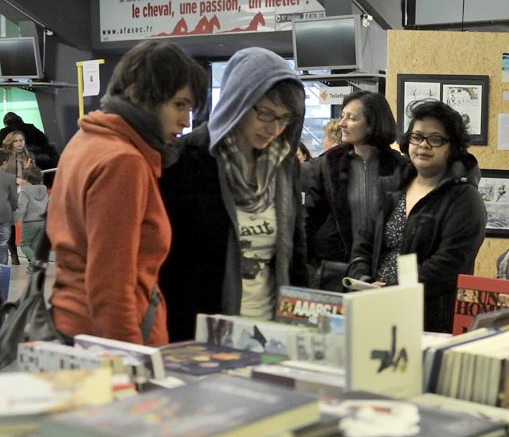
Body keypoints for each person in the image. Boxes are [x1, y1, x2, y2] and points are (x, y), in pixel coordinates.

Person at [46, 40, 207, 344]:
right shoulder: (124, 162)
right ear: (138, 95)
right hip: (112, 340)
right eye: (179, 104)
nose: (186, 121)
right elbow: (111, 285)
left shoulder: (86, 140)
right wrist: (131, 366)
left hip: (72, 324)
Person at [158, 47, 309, 342]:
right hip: (202, 330)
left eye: (285, 119)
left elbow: (295, 252)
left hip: (272, 330)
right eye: (265, 114)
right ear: (239, 101)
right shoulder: (185, 159)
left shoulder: (284, 163)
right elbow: (169, 260)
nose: (274, 129)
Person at [347, 99, 486, 333]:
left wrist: (394, 288)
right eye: (417, 137)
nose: (423, 145)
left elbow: (448, 265)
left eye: (435, 139)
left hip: (428, 318)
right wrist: (365, 281)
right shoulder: (391, 188)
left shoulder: (464, 199)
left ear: (452, 147)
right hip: (375, 309)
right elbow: (363, 244)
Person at [305, 91, 404, 291]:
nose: (342, 123)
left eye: (351, 118)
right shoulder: (327, 165)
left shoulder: (401, 167)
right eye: (342, 116)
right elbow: (309, 220)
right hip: (335, 272)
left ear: (372, 123)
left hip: (382, 271)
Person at [15, 164, 48, 263]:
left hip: (29, 222)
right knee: (35, 246)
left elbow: (21, 208)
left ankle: (36, 262)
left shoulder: (25, 191)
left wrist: (15, 219)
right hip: (42, 222)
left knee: (24, 245)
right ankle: (34, 268)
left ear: (26, 178)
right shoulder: (44, 189)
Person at [0, 149, 17, 266]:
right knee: (3, 244)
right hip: (5, 214)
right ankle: (3, 271)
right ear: (4, 163)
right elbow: (14, 199)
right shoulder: (10, 178)